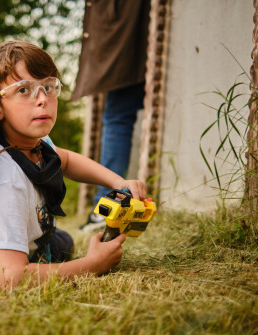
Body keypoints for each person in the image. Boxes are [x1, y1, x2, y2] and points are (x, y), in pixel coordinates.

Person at [0, 41, 147, 291]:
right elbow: (12, 278)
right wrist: (93, 264)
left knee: (64, 242)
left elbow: (68, 160)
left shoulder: (33, 139)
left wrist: (119, 182)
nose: (42, 99)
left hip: (34, 232)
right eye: (23, 90)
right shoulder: (5, 182)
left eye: (49, 87)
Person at [72, 0, 151, 231]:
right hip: (130, 34)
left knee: (117, 118)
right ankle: (107, 203)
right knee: (117, 118)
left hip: (126, 34)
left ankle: (106, 204)